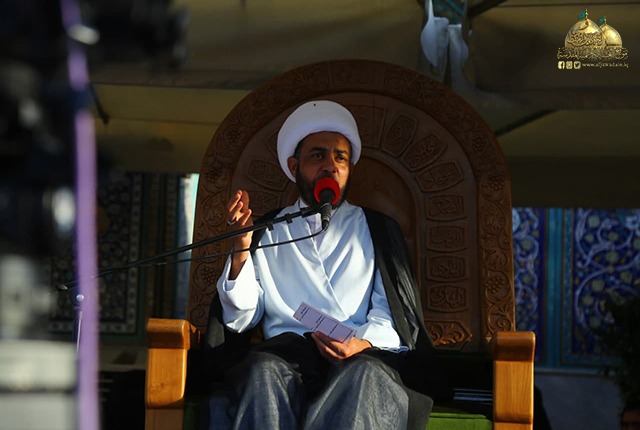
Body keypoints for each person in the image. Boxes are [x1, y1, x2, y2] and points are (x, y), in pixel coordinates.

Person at [205, 100, 450, 430]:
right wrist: (241, 249)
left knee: (364, 375)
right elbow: (241, 320)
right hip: (284, 360)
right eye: (318, 156)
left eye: (340, 158)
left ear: (349, 169)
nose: (330, 167)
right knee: (261, 372)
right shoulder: (266, 229)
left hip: (360, 356)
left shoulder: (378, 228)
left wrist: (361, 343)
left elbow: (390, 314)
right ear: (294, 166)